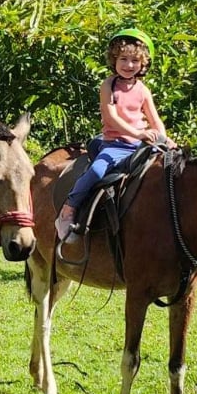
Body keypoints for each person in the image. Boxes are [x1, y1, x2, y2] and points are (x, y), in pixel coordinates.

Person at [55, 26, 172, 242]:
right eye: (123, 59)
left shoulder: (143, 90)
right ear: (114, 60)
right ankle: (69, 208)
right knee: (97, 172)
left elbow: (155, 120)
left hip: (141, 145)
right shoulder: (109, 85)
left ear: (143, 63)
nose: (129, 65)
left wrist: (164, 139)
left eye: (135, 60)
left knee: (171, 172)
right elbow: (111, 118)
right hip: (115, 145)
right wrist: (139, 134)